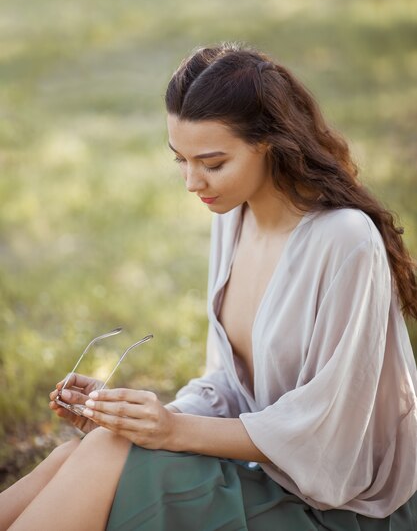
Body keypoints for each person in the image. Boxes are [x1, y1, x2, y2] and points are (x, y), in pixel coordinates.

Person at [1, 43, 417, 531]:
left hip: (339, 506)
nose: (192, 182)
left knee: (104, 458)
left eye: (213, 163)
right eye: (180, 160)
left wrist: (174, 430)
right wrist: (138, 418)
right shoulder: (232, 217)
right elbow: (230, 387)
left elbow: (332, 434)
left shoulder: (344, 239)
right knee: (90, 448)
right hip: (264, 471)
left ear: (272, 144)